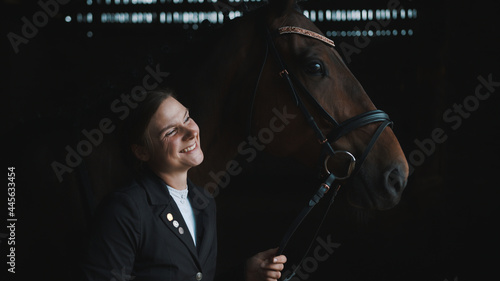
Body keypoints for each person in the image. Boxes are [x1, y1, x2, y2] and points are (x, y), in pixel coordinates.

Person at [80, 89, 286, 281]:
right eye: (171, 131)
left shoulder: (204, 203)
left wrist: (244, 273)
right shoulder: (125, 209)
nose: (190, 132)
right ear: (142, 151)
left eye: (187, 118)